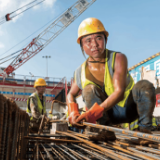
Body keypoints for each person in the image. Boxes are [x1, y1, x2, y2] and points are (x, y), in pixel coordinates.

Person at [67, 17, 156, 136]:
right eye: (88, 40)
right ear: (82, 45)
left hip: (128, 109)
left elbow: (119, 92)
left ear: (105, 40)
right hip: (106, 116)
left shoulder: (118, 58)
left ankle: (144, 131)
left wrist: (94, 112)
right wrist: (72, 112)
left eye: (98, 38)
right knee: (88, 90)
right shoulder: (80, 71)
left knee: (145, 86)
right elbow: (70, 94)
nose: (94, 44)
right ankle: (105, 131)